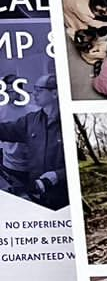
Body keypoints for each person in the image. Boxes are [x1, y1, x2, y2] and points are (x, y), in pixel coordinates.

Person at [0, 71, 64, 207]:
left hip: (61, 195)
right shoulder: (31, 120)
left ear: (55, 93)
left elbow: (80, 163)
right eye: (34, 89)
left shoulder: (67, 122)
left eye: (39, 90)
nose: (34, 94)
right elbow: (6, 130)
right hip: (34, 186)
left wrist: (58, 175)